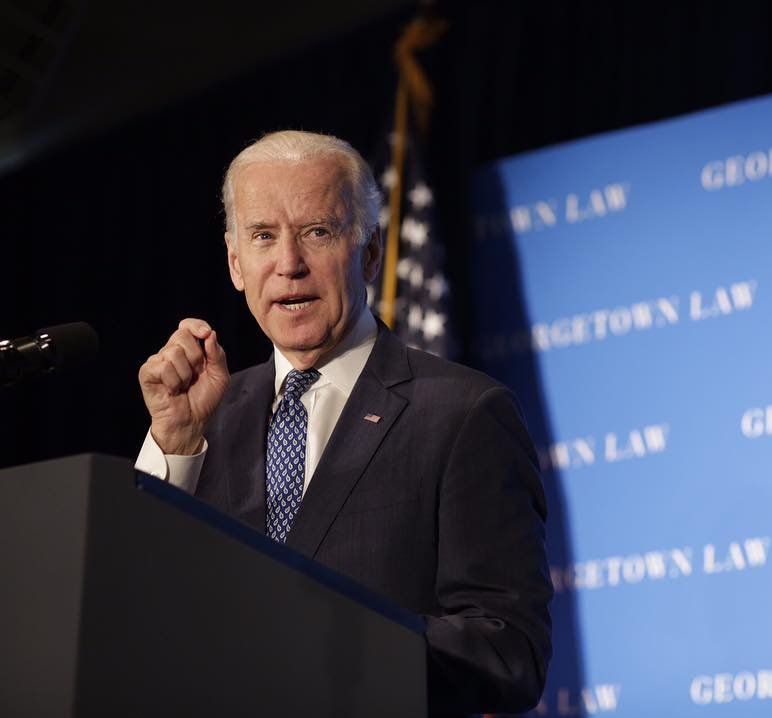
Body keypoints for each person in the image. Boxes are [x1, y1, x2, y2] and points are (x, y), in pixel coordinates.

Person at [135, 130, 552, 716]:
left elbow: (509, 653)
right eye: (263, 236)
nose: (289, 265)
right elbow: (134, 615)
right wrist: (175, 445)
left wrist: (334, 643)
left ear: (371, 251)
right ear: (235, 262)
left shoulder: (463, 414)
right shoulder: (204, 416)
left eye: (317, 232)